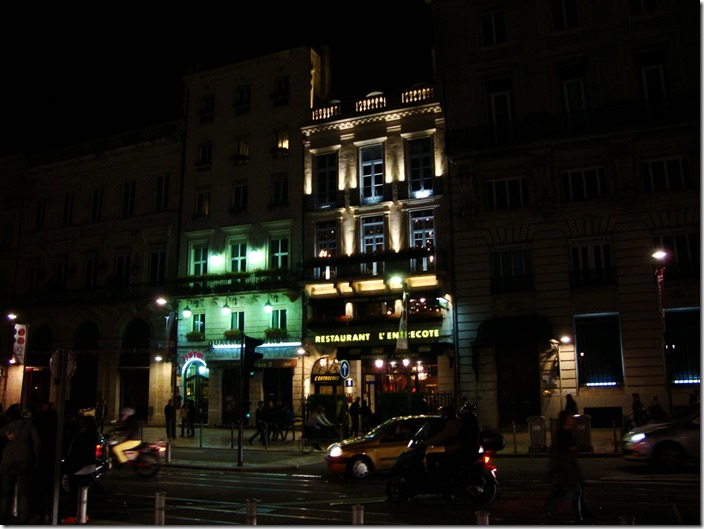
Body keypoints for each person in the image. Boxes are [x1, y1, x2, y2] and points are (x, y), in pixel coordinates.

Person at [541, 410, 591, 523]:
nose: (572, 419)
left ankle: (582, 515)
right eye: (570, 418)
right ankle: (579, 517)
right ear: (565, 420)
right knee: (573, 492)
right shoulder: (563, 434)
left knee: (567, 491)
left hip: (568, 468)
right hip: (565, 468)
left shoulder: (568, 432)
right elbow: (563, 453)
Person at [0, 404, 41, 524]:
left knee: (6, 492)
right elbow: (37, 442)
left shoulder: (6, 428)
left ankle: (4, 516)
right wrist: (36, 458)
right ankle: (22, 518)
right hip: (24, 461)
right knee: (24, 493)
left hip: (7, 462)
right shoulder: (29, 425)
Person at [61, 415, 99, 524]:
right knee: (84, 491)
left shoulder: (81, 436)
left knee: (74, 492)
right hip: (90, 466)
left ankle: (74, 515)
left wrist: (68, 466)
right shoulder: (94, 435)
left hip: (80, 466)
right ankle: (83, 514)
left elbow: (75, 453)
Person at [31, 399, 58, 524]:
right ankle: (45, 513)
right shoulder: (51, 418)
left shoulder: (45, 420)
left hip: (45, 457)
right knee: (46, 488)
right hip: (49, 457)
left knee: (41, 488)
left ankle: (41, 513)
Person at [421, 405, 463, 479]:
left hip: (453, 452)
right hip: (455, 450)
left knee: (430, 457)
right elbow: (444, 438)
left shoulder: (452, 424)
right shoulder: (456, 422)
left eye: (443, 413)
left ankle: (433, 479)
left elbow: (440, 436)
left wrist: (425, 442)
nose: (442, 415)